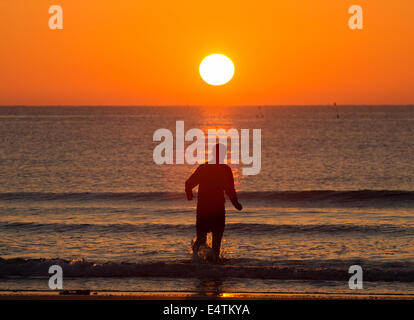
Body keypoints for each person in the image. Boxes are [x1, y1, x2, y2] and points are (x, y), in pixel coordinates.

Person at [185, 143, 243, 260]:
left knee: (201, 238)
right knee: (216, 240)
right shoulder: (225, 170)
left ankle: (195, 262)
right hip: (217, 209)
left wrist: (189, 194)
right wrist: (236, 204)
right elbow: (230, 190)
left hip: (204, 209)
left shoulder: (203, 168)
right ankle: (214, 264)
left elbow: (188, 184)